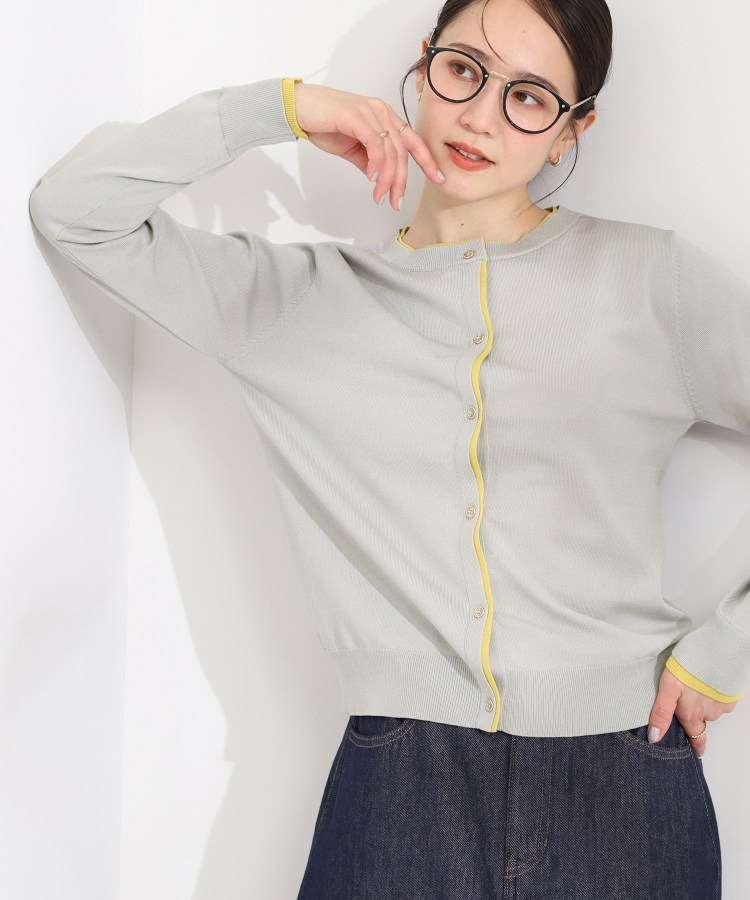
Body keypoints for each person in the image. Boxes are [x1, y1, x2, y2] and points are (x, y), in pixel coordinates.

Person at [28, 0, 747, 895]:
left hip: (627, 782)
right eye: (464, 70)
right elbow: (75, 212)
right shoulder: (300, 304)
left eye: (530, 97)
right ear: (425, 63)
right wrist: (286, 108)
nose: (481, 116)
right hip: (401, 786)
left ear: (574, 130)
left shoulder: (651, 281)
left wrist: (729, 648)